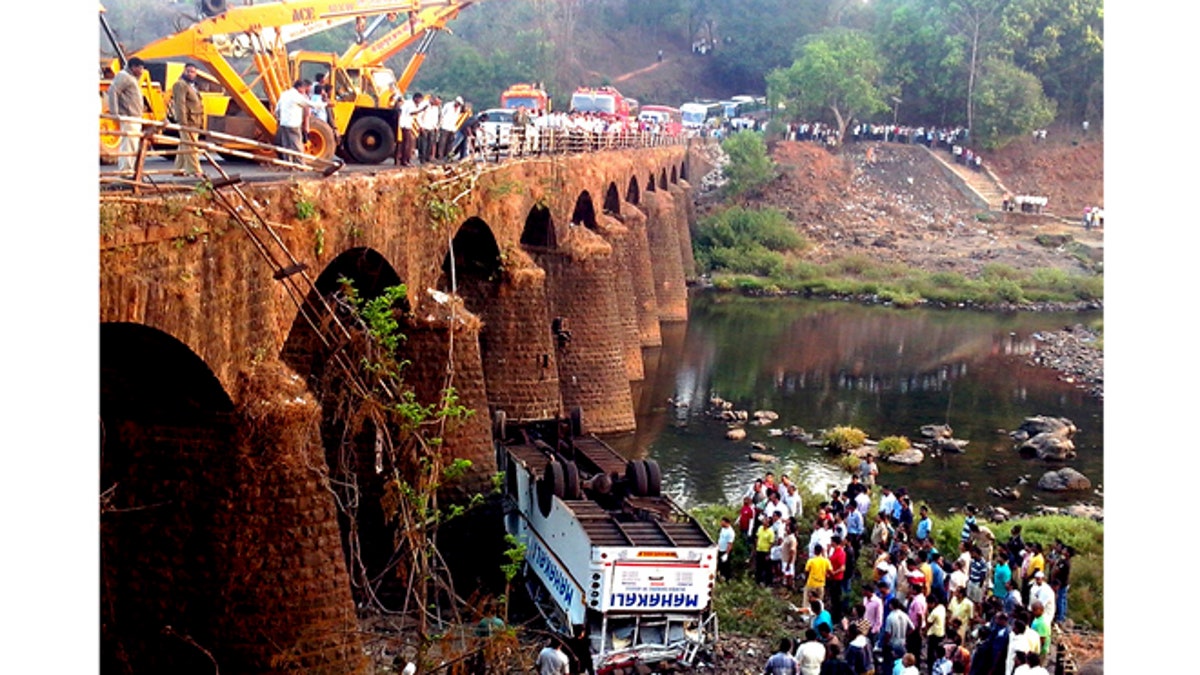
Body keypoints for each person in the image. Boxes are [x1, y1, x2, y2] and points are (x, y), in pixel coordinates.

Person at [108, 56, 147, 174]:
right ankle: (125, 171)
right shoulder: (124, 76)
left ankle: (129, 170)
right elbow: (112, 91)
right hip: (129, 116)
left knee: (133, 145)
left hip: (134, 116)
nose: (142, 71)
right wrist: (114, 113)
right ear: (133, 67)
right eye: (140, 68)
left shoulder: (131, 77)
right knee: (128, 145)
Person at [171, 62, 205, 177]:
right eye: (188, 71)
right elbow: (180, 104)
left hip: (195, 120)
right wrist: (183, 122)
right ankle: (195, 170)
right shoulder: (181, 85)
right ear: (184, 71)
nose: (190, 74)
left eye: (193, 72)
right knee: (191, 146)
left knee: (184, 146)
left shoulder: (193, 86)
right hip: (188, 121)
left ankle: (178, 169)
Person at [274, 79, 316, 161]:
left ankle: (288, 164)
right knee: (297, 145)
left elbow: (277, 110)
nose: (305, 90)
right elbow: (309, 107)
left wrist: (279, 119)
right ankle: (299, 164)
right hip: (293, 124)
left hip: (284, 123)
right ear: (300, 87)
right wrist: (325, 104)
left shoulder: (284, 94)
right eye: (304, 89)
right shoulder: (298, 96)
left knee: (286, 145)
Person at [395, 92, 424, 166]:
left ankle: (401, 159)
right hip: (405, 125)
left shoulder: (407, 103)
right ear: (416, 98)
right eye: (420, 99)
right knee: (407, 144)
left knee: (403, 143)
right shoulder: (410, 104)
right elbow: (411, 113)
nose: (420, 101)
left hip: (405, 124)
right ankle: (405, 160)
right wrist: (421, 110)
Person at [924, 594, 946, 668]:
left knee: (931, 653)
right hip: (941, 633)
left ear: (932, 603)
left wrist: (926, 612)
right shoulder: (942, 607)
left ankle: (930, 667)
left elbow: (928, 623)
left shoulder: (934, 613)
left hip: (934, 635)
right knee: (938, 651)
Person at [717, 516, 736, 581]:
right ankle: (720, 577)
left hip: (725, 551)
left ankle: (727, 578)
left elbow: (730, 544)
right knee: (719, 564)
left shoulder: (730, 532)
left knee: (726, 566)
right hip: (720, 549)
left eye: (722, 522)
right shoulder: (723, 528)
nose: (721, 523)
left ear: (726, 522)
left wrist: (726, 554)